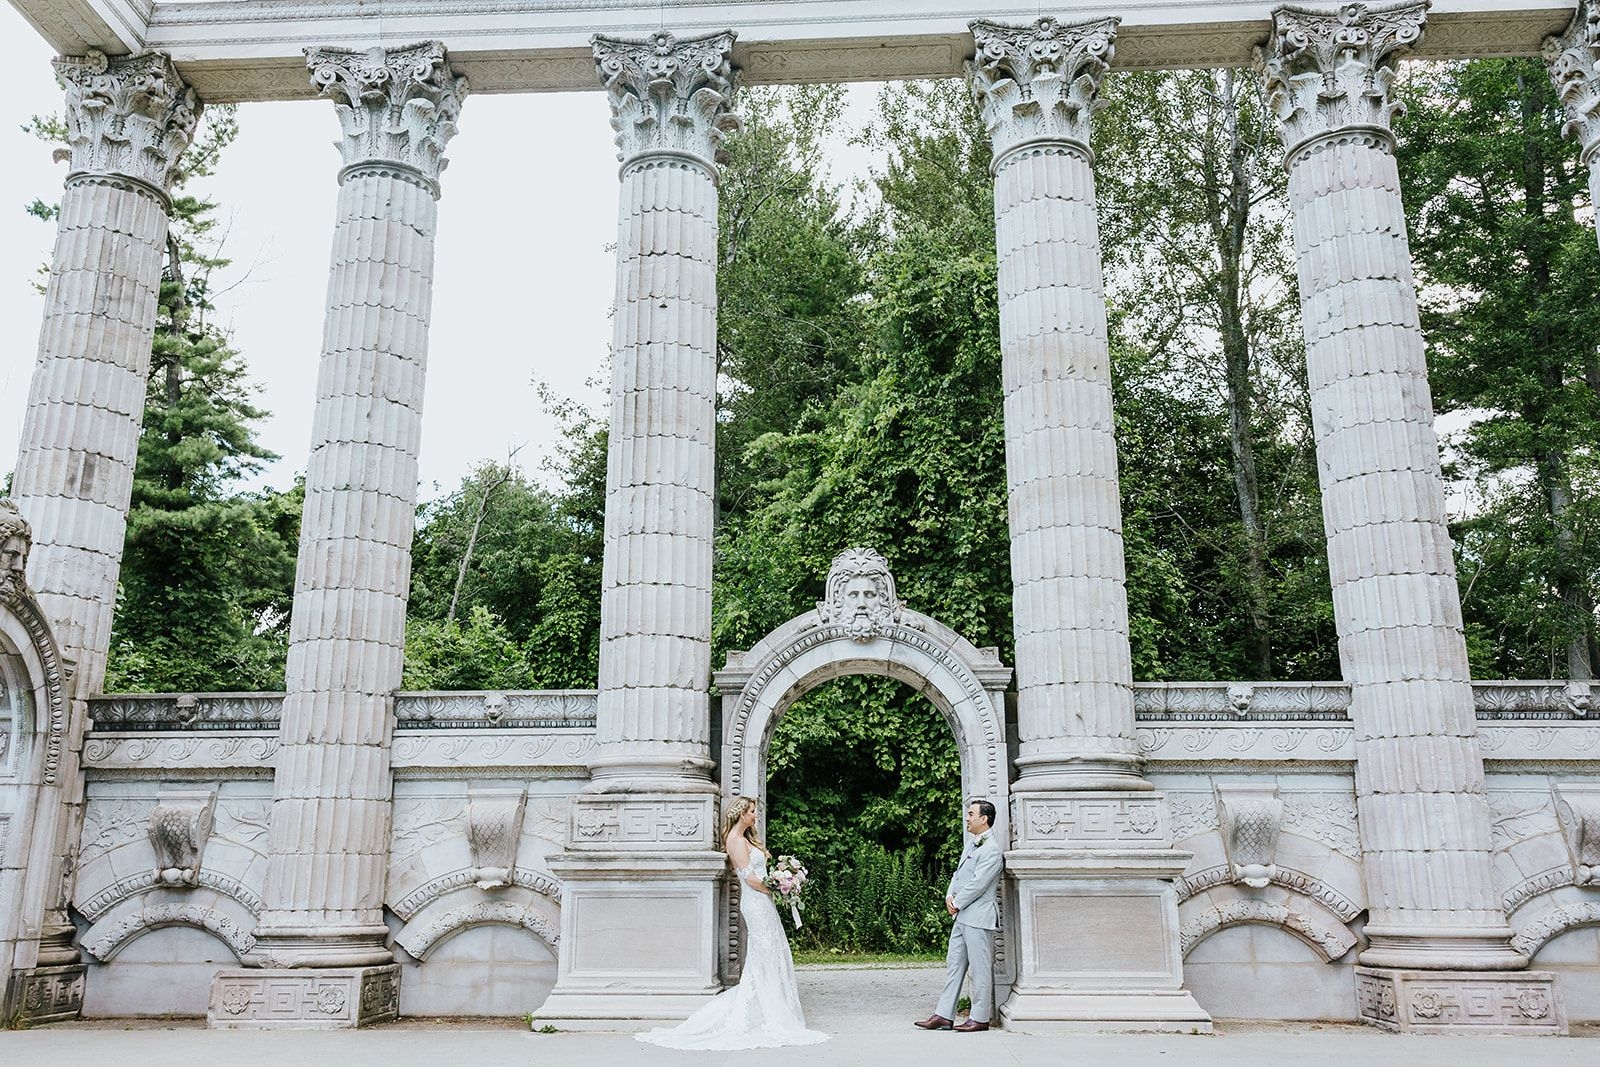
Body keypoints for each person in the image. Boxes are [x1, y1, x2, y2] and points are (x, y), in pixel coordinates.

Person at [635, 795, 828, 1050]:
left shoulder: (747, 839)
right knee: (765, 955)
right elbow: (749, 879)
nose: (755, 815)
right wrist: (780, 889)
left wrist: (782, 883)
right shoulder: (735, 841)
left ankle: (773, 1008)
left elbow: (759, 874)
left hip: (764, 902)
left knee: (770, 955)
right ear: (740, 814)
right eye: (751, 811)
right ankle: (767, 1013)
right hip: (756, 901)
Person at [914, 798, 1003, 1033]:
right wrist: (949, 896)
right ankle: (943, 1014)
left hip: (978, 917)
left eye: (971, 814)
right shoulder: (972, 844)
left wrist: (958, 902)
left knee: (980, 968)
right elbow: (958, 873)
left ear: (984, 819)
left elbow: (978, 883)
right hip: (962, 916)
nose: (967, 817)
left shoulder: (992, 850)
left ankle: (980, 1017)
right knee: (954, 965)